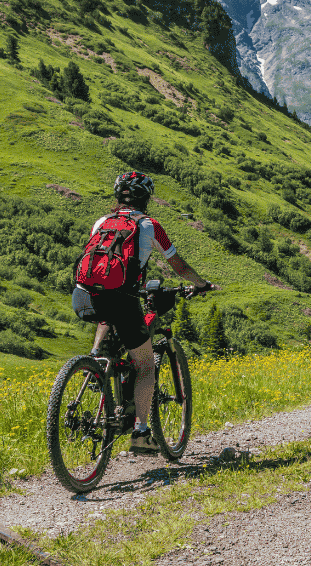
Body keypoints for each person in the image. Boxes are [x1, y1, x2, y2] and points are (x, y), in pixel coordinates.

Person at [88, 171, 212, 453]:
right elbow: (178, 266)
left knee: (108, 317)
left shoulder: (102, 222)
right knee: (145, 367)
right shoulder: (148, 225)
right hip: (124, 298)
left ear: (118, 196)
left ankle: (95, 362)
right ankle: (141, 434)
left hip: (86, 295)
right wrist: (202, 284)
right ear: (146, 198)